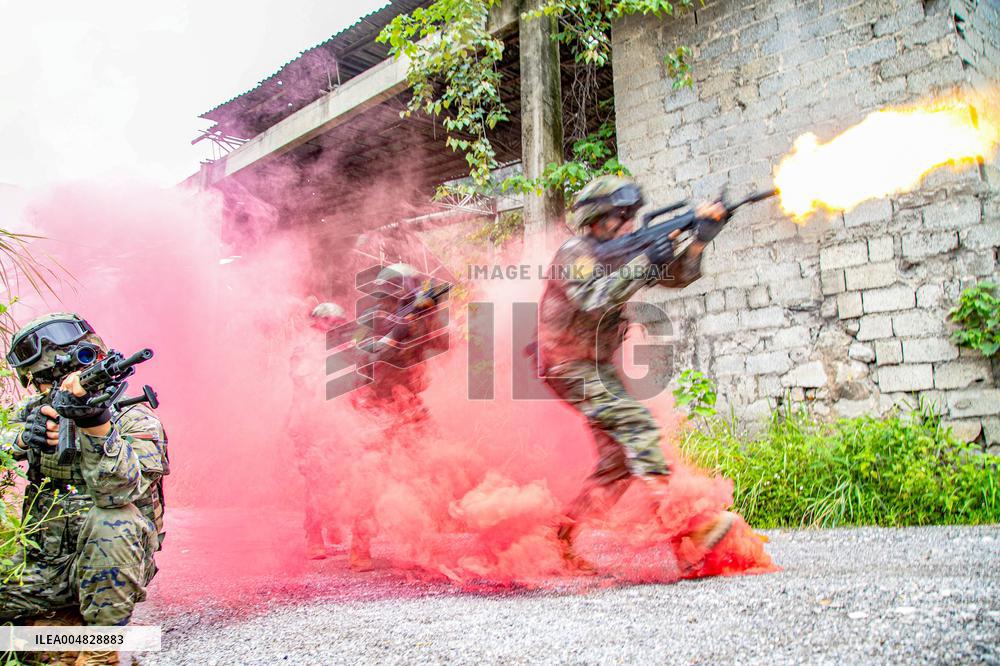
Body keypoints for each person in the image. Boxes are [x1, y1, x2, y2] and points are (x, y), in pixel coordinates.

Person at [536, 175, 735, 573]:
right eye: (620, 216)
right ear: (597, 217)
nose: (629, 223)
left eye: (632, 216)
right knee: (636, 424)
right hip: (564, 363)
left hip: (595, 365)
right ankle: (686, 532)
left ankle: (559, 538)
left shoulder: (622, 250)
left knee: (619, 462)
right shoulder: (574, 252)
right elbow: (594, 299)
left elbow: (675, 277)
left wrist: (697, 241)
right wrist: (645, 261)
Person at [0, 313, 168, 666]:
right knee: (32, 650)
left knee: (115, 518)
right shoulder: (35, 412)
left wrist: (95, 424)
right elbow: (6, 431)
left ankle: (100, 647)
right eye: (47, 382)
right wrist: (18, 439)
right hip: (44, 564)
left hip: (108, 567)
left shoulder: (135, 420)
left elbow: (117, 491)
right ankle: (58, 629)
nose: (58, 386)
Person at [345, 263, 450, 571]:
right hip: (374, 405)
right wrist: (401, 326)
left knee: (424, 466)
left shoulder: (415, 318)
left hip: (408, 401)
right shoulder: (369, 320)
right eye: (406, 290)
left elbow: (443, 344)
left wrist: (429, 314)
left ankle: (416, 540)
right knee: (370, 472)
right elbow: (370, 355)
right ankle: (360, 543)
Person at [288, 302, 348, 560]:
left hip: (340, 424)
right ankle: (314, 536)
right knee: (316, 480)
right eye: (331, 322)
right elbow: (303, 380)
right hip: (311, 424)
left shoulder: (345, 348)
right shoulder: (305, 349)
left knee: (343, 477)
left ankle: (333, 523)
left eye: (338, 323)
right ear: (318, 322)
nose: (335, 327)